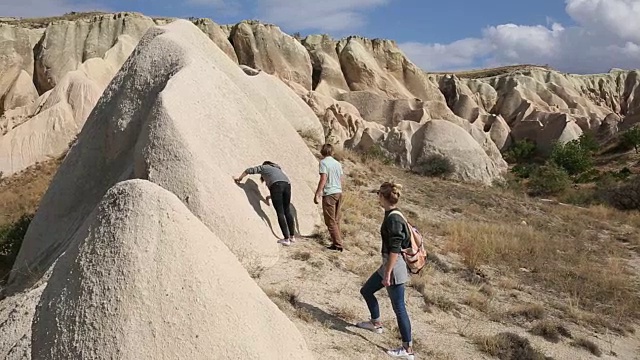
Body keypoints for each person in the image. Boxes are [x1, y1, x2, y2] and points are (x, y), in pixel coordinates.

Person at [356, 182, 414, 360]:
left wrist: (388, 273)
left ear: (383, 197)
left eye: (378, 195)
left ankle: (407, 349)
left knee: (399, 308)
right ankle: (376, 323)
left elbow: (395, 249)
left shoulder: (394, 218)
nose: (377, 198)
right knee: (366, 290)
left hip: (394, 267)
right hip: (388, 264)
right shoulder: (391, 214)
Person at [234, 161, 296, 246]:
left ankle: (286, 239)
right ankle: (292, 237)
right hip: (287, 185)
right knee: (287, 211)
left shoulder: (264, 168)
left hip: (277, 186)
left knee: (280, 212)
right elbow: (279, 184)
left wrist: (240, 178)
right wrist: (270, 197)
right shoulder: (277, 169)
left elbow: (249, 170)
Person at [314, 144, 344, 252]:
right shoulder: (337, 164)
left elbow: (323, 178)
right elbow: (341, 179)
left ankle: (338, 244)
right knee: (336, 220)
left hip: (329, 193)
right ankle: (336, 242)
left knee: (330, 221)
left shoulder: (323, 162)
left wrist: (318, 192)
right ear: (332, 152)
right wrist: (339, 189)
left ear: (323, 152)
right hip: (338, 192)